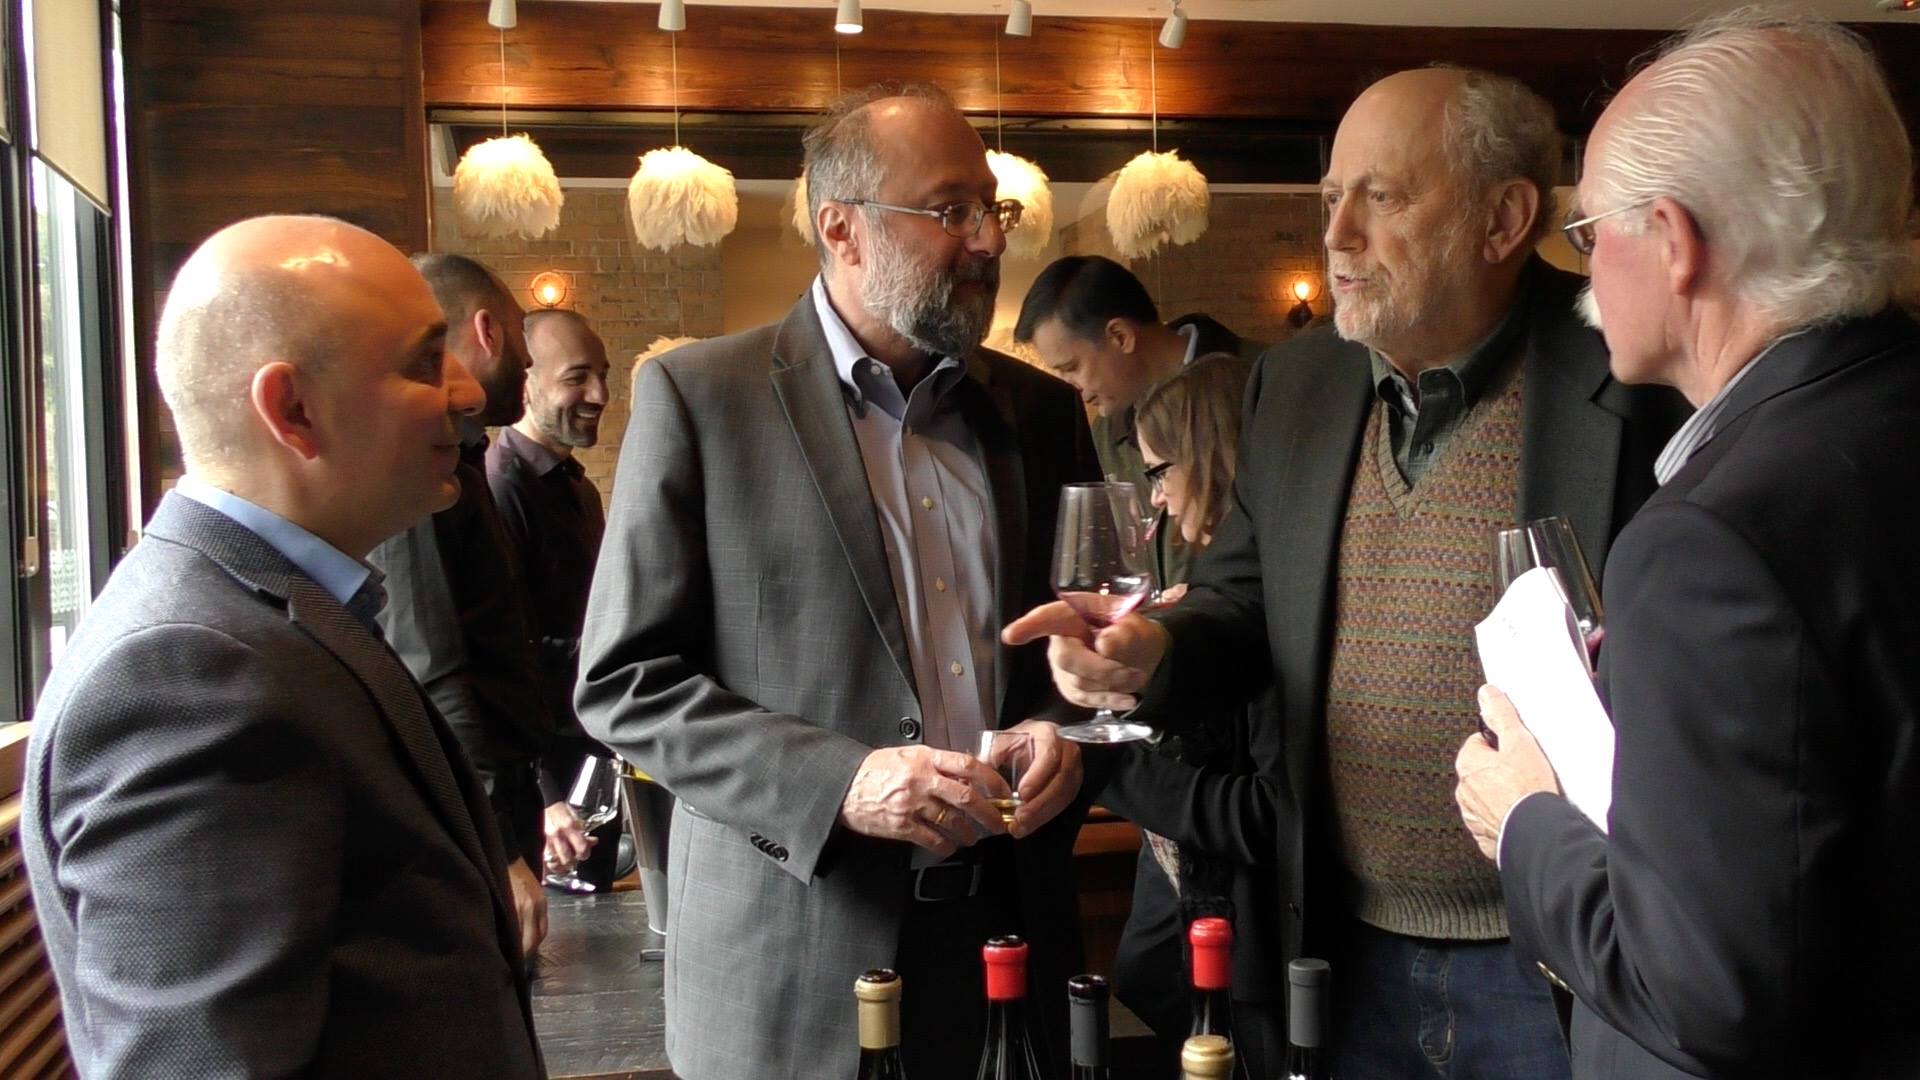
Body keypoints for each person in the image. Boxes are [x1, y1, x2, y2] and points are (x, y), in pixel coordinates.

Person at [1007, 66, 1687, 1079]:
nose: (1336, 236)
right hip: (1340, 944)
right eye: (1332, 197)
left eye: (1383, 196)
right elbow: (1239, 601)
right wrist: (1152, 654)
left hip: (1555, 952)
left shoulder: (1629, 369)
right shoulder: (1299, 381)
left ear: (1504, 219)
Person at [576, 83, 1101, 1080]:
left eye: (994, 208)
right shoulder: (700, 398)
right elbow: (623, 684)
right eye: (951, 210)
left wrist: (1065, 735)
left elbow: (1079, 655)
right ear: (841, 228)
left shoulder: (1038, 412)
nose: (991, 240)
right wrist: (840, 784)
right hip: (788, 976)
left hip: (1007, 951)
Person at [1455, 13, 1920, 1078]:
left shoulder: (1713, 543)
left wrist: (1526, 822)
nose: (1583, 278)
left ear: (1673, 240)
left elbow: (1707, 990)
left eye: (1588, 234)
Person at [19, 215, 544, 1076]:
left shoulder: (282, 612)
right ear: (293, 410)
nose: (467, 393)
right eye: (425, 363)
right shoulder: (189, 674)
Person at [1089, 351, 1277, 1075]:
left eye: (1159, 472)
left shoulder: (1269, 612)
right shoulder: (1200, 598)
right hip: (1187, 933)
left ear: (1210, 454)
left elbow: (1262, 816)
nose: (1159, 501)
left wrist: (1099, 759)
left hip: (1251, 960)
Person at [369, 252, 550, 958]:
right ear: (488, 330)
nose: (529, 362)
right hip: (472, 819)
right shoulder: (424, 474)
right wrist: (497, 848)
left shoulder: (465, 465)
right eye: (523, 336)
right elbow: (432, 667)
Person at [1014, 255, 1262, 587]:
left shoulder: (1267, 385)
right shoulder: (1104, 436)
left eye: (1071, 368)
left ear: (1120, 336)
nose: (1071, 387)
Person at [484, 307, 619, 890]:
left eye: (602, 375)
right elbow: (501, 659)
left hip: (589, 757)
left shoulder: (579, 489)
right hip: (547, 787)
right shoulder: (501, 484)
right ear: (526, 383)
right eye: (576, 378)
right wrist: (545, 797)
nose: (600, 395)